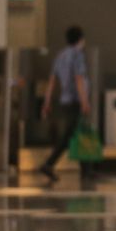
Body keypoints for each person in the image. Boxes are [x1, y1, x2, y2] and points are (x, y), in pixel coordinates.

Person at [38, 25, 91, 182]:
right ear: (80, 39)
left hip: (65, 101)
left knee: (75, 132)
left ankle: (86, 169)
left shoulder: (60, 56)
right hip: (75, 100)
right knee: (69, 135)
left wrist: (46, 102)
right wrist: (84, 101)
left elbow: (52, 81)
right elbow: (79, 78)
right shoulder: (77, 55)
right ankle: (48, 164)